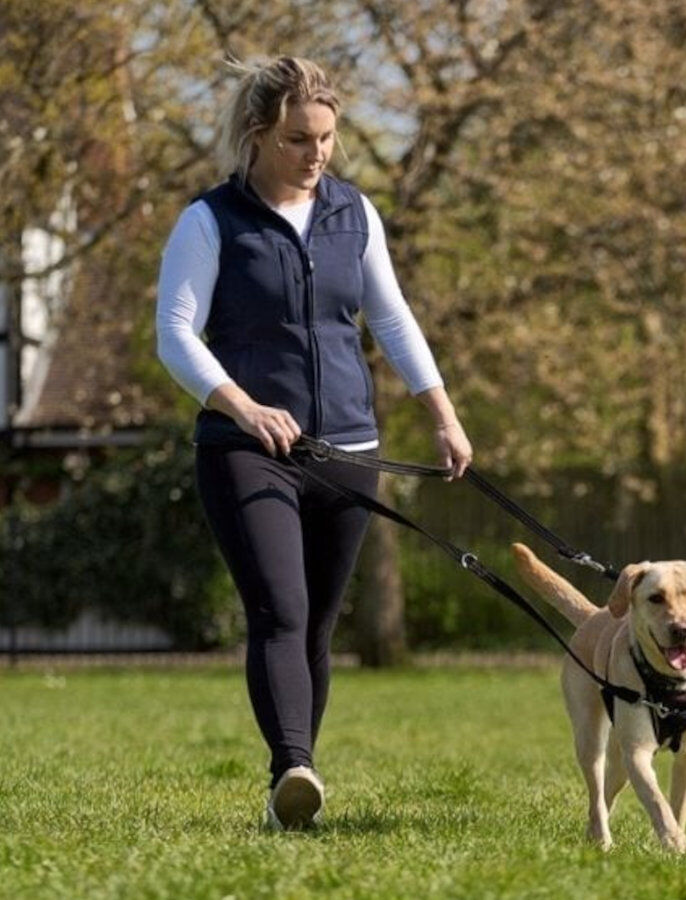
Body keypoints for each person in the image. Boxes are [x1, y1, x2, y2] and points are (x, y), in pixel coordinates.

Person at [155, 55, 472, 831]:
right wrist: (241, 404)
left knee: (320, 626)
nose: (317, 154)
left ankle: (295, 786)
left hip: (351, 453)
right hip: (248, 449)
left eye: (326, 138)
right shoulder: (211, 220)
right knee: (281, 612)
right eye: (300, 139)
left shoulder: (352, 213)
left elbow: (390, 318)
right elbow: (174, 333)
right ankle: (291, 767)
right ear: (259, 135)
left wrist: (442, 412)